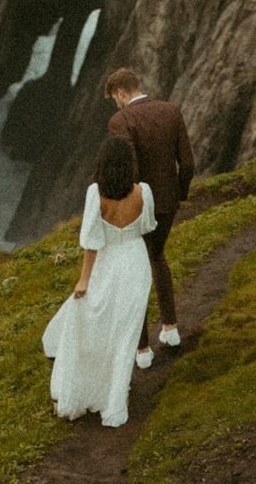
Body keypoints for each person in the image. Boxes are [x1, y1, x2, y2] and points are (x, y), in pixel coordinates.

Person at [42, 137, 157, 427]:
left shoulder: (96, 193)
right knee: (125, 336)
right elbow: (147, 226)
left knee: (97, 329)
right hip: (135, 263)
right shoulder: (144, 192)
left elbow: (91, 241)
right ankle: (115, 402)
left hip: (107, 263)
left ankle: (89, 388)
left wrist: (84, 280)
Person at [103, 67, 194, 368]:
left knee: (136, 271)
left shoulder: (121, 120)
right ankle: (170, 329)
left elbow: (131, 168)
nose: (116, 104)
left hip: (139, 207)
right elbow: (188, 163)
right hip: (167, 203)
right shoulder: (171, 111)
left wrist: (130, 205)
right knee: (157, 258)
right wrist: (179, 193)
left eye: (114, 98)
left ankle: (142, 348)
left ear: (121, 92)